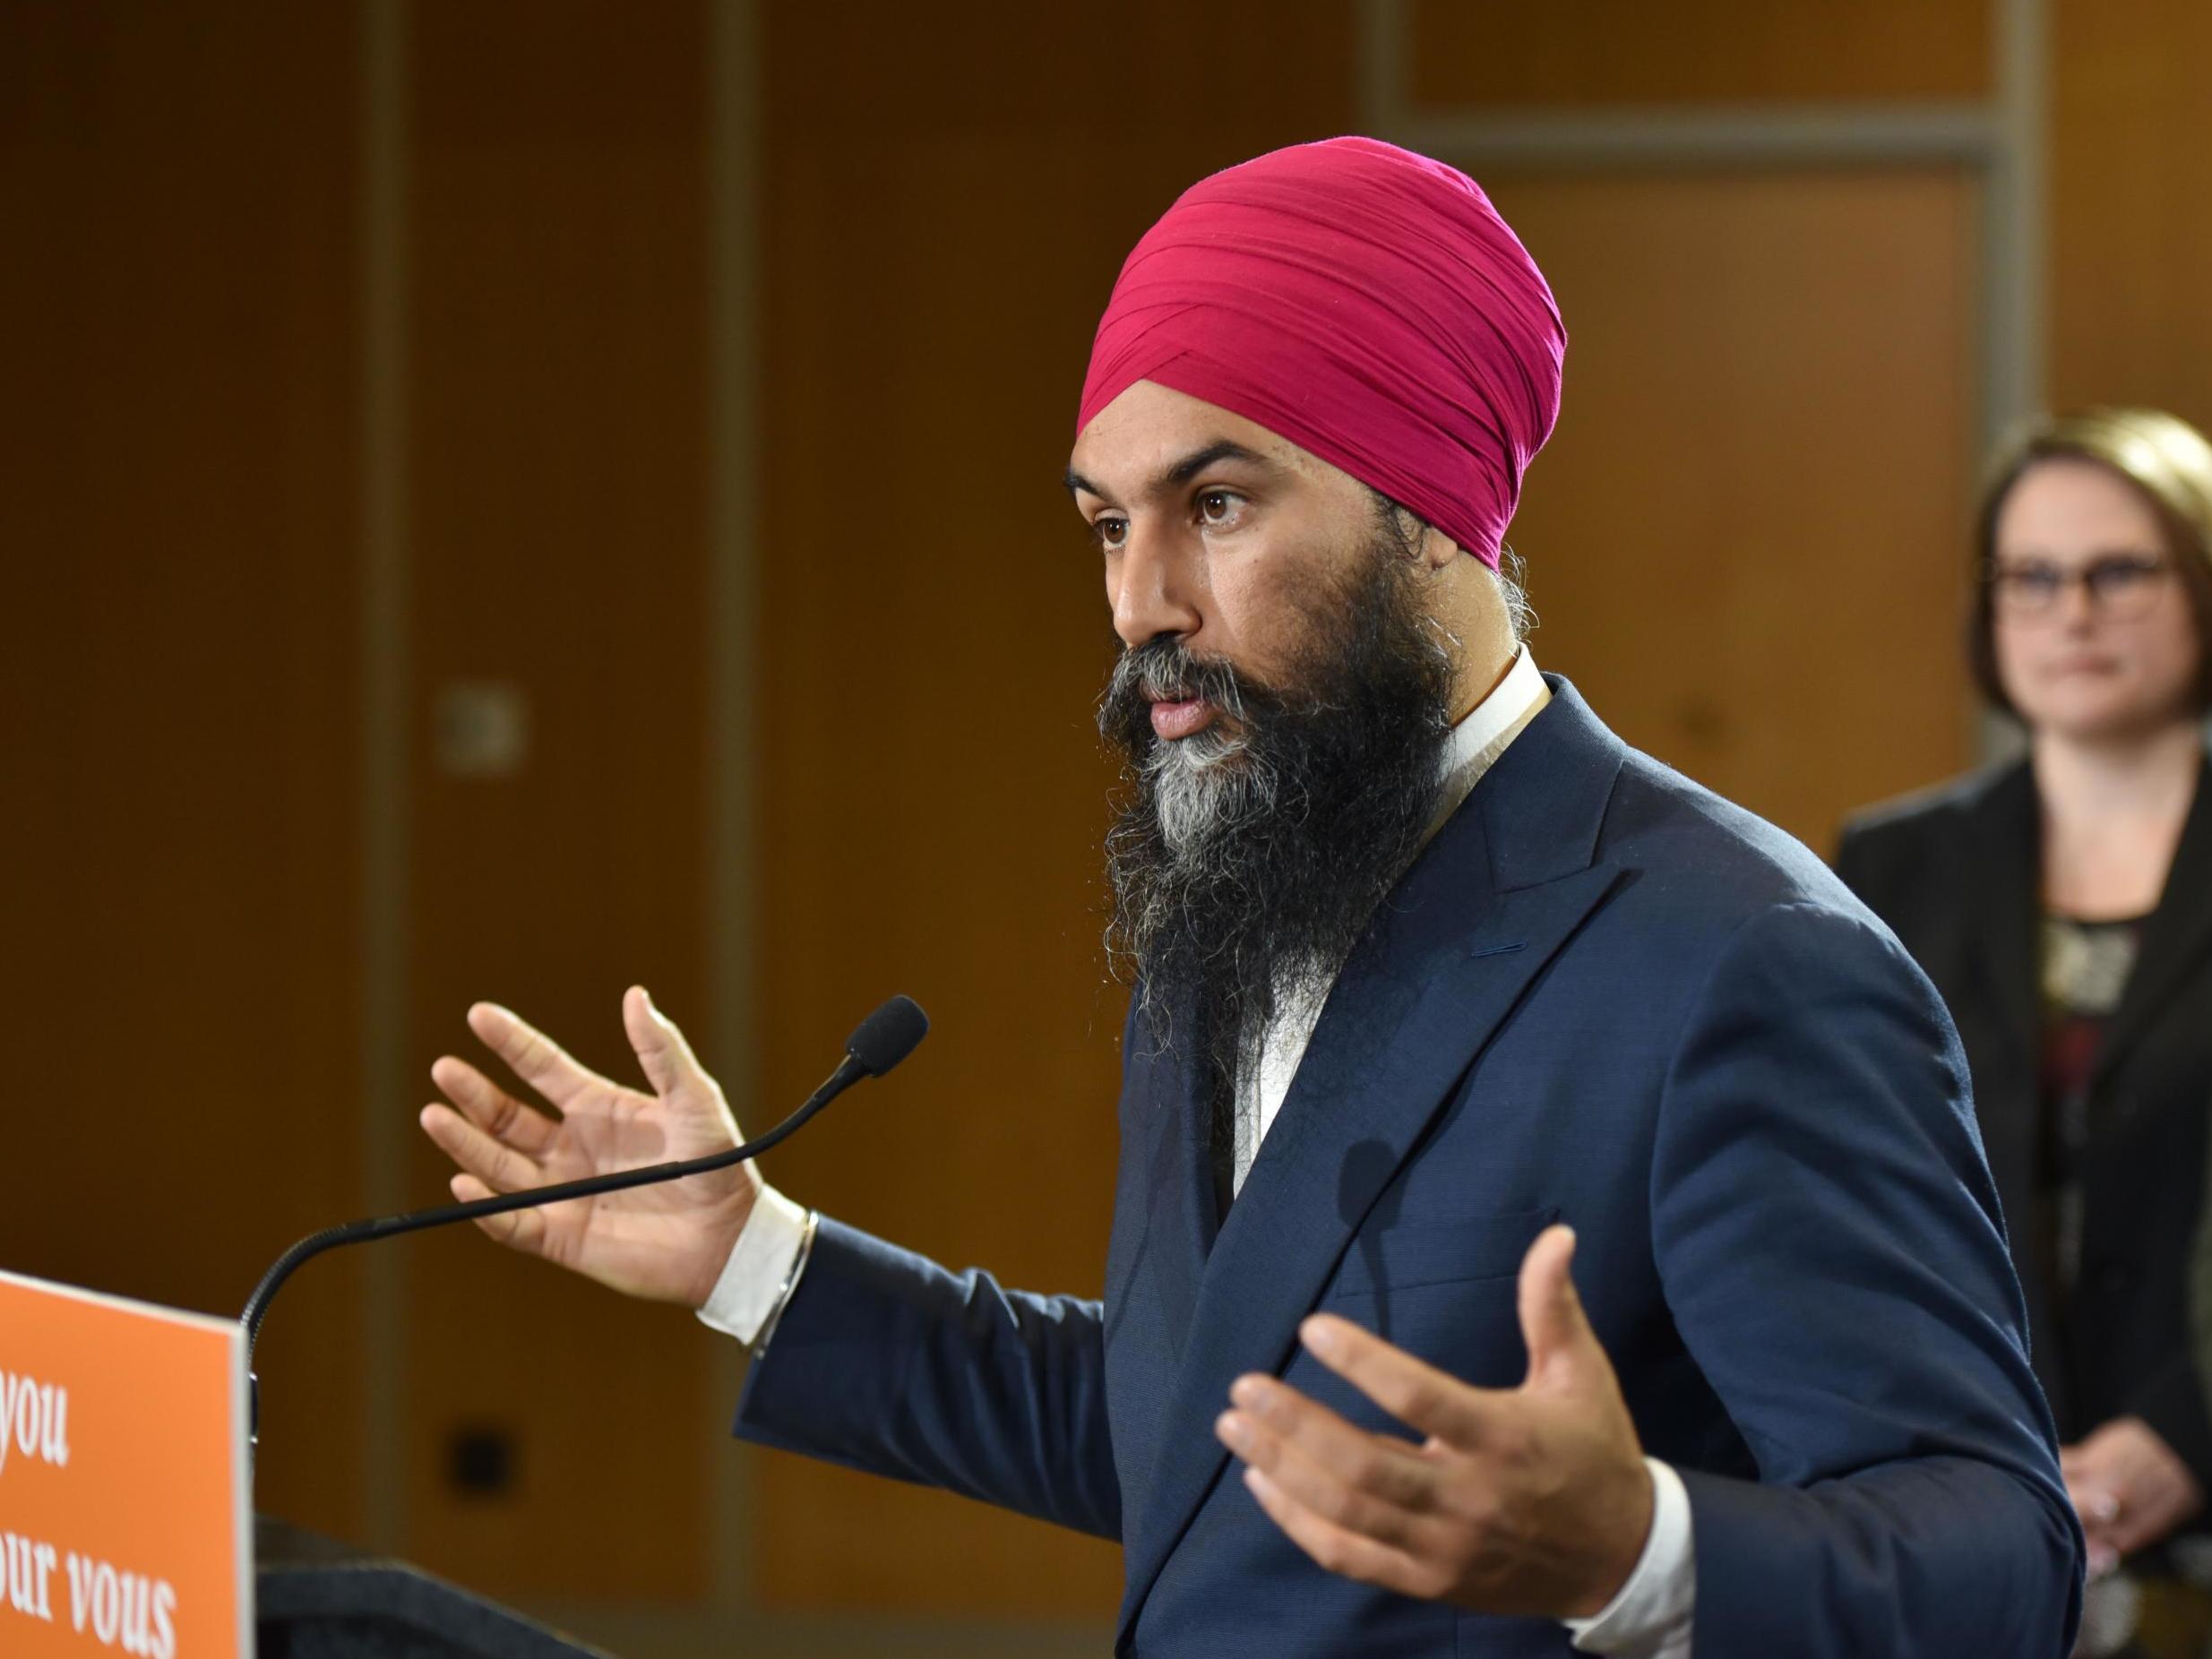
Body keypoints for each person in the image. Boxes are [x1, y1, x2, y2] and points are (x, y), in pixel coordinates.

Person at [422, 138, 2082, 1657]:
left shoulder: (1738, 960)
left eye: (1215, 506)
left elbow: (1999, 1554)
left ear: (1429, 513)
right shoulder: (1253, 876)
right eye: (1103, 522)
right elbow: (1212, 1432)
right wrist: (753, 1261)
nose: (1141, 600)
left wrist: (1634, 1552)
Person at [1837, 408, 2212, 1652]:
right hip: (1965, 1497)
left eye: (2119, 571)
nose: (2072, 612)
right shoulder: (1889, 865)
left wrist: (2185, 1432)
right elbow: (1858, 1192)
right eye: (2031, 578)